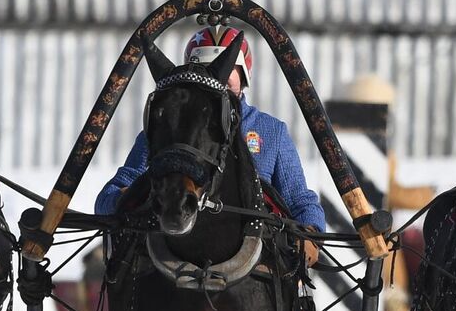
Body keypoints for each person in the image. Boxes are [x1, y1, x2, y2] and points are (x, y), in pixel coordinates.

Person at [95, 26, 328, 238]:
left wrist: (311, 233)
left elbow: (299, 200)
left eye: (228, 67)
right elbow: (110, 197)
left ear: (244, 73)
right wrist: (132, 198)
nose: (217, 75)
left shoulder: (271, 131)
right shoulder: (165, 131)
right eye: (208, 68)